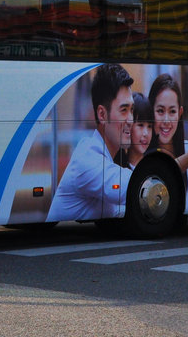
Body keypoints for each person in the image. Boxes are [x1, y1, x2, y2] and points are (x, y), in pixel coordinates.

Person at [48, 63, 135, 221]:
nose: (131, 120)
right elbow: (135, 187)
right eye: (124, 110)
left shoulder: (101, 155)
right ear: (102, 114)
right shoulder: (87, 159)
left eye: (132, 110)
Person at [147, 73, 188, 213]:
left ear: (180, 113)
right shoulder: (141, 153)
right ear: (150, 111)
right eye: (160, 111)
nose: (166, 120)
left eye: (172, 111)